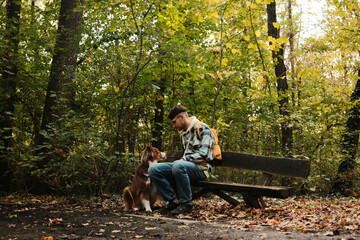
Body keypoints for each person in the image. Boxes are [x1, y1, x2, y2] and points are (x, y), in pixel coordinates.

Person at [148, 105, 215, 215]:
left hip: (201, 169)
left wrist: (183, 159)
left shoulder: (203, 128)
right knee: (153, 169)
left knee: (179, 165)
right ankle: (172, 201)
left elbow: (205, 154)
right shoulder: (184, 133)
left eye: (174, 122)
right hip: (184, 166)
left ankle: (186, 203)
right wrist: (181, 161)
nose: (173, 126)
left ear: (182, 117)